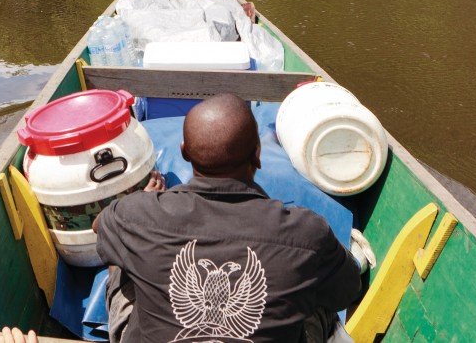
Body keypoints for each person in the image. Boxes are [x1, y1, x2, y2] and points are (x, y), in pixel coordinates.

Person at [93, 94, 361, 342]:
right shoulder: (306, 232)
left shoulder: (135, 215)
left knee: (120, 255)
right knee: (316, 284)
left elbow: (99, 226)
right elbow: (346, 292)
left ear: (184, 152)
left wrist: (142, 202)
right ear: (257, 153)